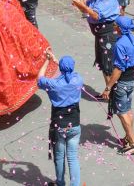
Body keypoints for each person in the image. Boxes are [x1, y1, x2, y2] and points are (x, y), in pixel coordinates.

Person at [38, 50, 82, 186]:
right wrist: (57, 61)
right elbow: (69, 73)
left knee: (59, 157)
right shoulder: (78, 79)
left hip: (59, 125)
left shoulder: (54, 84)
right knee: (73, 158)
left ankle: (60, 183)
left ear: (61, 69)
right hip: (75, 125)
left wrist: (47, 60)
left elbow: (39, 78)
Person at [101, 16, 134, 155]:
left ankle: (133, 143)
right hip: (131, 80)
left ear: (119, 28)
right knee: (128, 110)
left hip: (122, 82)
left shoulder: (120, 44)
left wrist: (108, 87)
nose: (114, 27)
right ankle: (128, 137)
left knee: (122, 112)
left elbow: (118, 69)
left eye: (115, 25)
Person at [71, 0, 120, 88]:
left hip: (107, 34)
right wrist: (80, 5)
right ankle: (108, 91)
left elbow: (96, 15)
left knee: (107, 64)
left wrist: (83, 7)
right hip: (99, 34)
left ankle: (111, 92)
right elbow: (87, 8)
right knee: (102, 63)